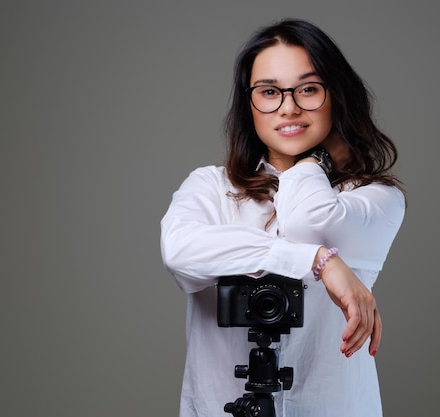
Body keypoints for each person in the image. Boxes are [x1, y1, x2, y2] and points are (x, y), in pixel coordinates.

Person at [160, 18, 406, 417]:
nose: (288, 107)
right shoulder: (211, 187)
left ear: (335, 96)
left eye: (308, 89)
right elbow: (179, 251)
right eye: (269, 92)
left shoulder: (374, 198)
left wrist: (317, 161)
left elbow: (310, 221)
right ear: (249, 104)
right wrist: (317, 261)